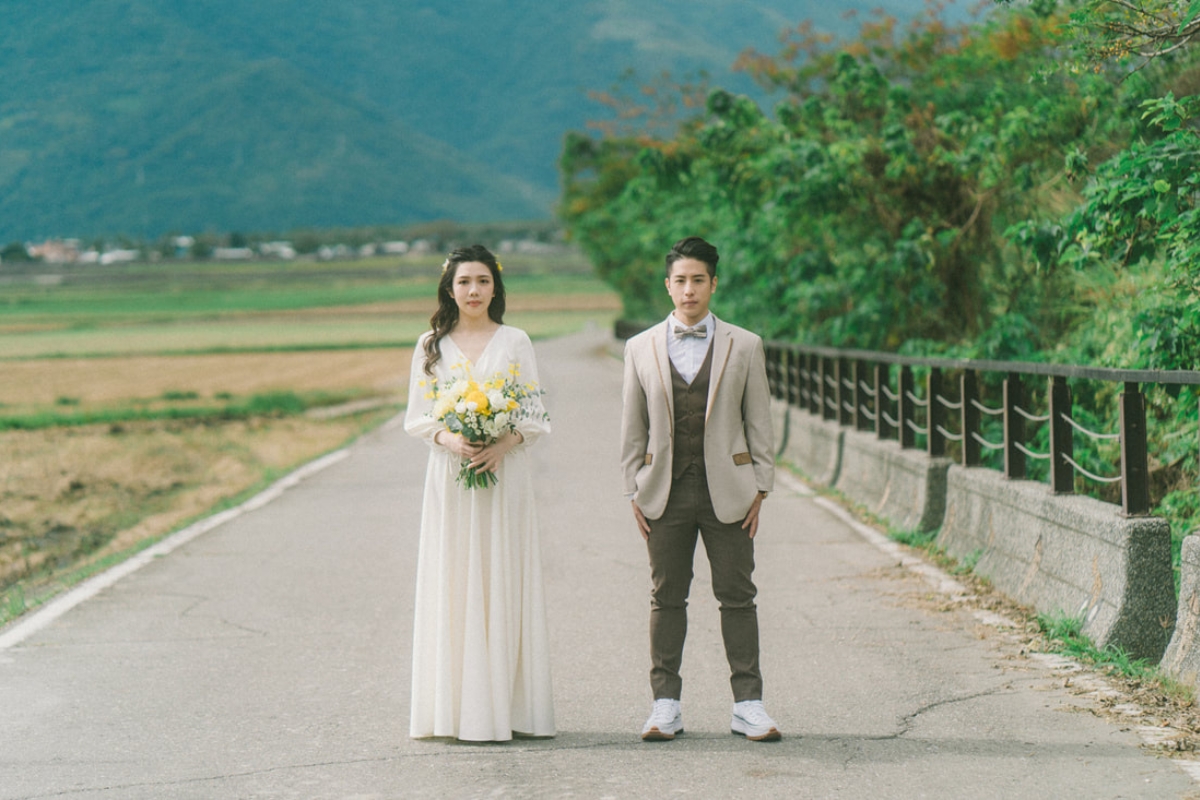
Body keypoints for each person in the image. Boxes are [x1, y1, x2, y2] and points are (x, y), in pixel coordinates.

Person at [620, 236, 780, 742]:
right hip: (663, 490)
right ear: (667, 286)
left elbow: (760, 422)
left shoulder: (745, 344)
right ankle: (665, 705)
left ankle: (748, 705)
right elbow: (633, 425)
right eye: (680, 281)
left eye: (698, 280)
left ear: (713, 283)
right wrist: (633, 489)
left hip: (729, 490)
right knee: (666, 597)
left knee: (738, 596)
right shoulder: (639, 346)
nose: (689, 290)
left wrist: (762, 487)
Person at [404, 244, 554, 742]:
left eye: (483, 281)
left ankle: (510, 709)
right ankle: (454, 710)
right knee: (455, 577)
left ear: (496, 287)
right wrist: (451, 438)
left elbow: (534, 412)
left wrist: (503, 442)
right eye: (465, 281)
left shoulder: (515, 341)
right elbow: (417, 417)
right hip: (450, 477)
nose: (474, 291)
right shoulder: (430, 344)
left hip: (503, 475)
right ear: (449, 287)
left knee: (502, 575)